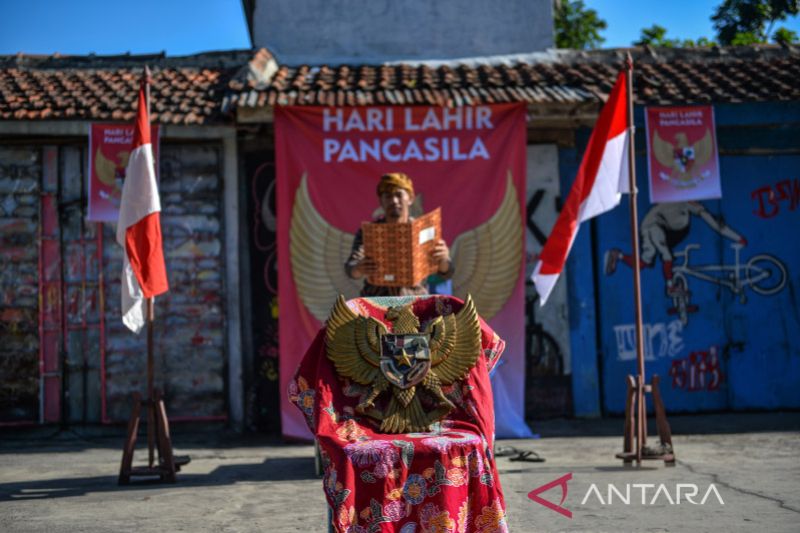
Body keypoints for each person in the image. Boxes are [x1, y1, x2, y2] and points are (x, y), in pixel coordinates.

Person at [345, 172, 453, 296]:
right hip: (376, 303)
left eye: (398, 195)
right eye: (388, 196)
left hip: (415, 302)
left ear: (411, 198)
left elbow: (446, 272)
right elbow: (351, 268)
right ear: (381, 201)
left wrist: (444, 259)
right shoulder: (369, 232)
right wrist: (359, 268)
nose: (394, 201)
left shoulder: (424, 230)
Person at [604, 201, 746, 295]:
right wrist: (738, 238)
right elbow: (714, 223)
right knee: (664, 255)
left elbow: (715, 224)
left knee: (647, 262)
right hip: (653, 225)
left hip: (667, 228)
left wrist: (738, 238)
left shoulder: (692, 206)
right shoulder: (680, 203)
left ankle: (618, 255)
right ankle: (670, 286)